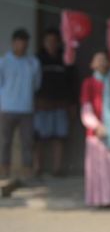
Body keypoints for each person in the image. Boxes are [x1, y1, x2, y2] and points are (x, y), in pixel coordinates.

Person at [80, 51, 110, 207]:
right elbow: (86, 108)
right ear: (92, 65)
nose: (101, 63)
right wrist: (96, 126)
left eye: (104, 60)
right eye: (97, 60)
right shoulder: (89, 83)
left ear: (109, 63)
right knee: (97, 168)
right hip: (96, 134)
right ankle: (99, 200)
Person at [0, 29, 41, 194]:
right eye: (19, 41)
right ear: (13, 43)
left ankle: (26, 175)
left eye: (25, 42)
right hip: (7, 108)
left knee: (27, 142)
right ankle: (4, 173)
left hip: (26, 108)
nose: (22, 45)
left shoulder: (33, 63)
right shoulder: (4, 61)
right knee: (5, 142)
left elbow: (37, 84)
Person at [34, 28, 76, 177]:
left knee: (59, 137)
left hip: (61, 104)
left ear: (58, 43)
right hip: (42, 104)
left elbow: (72, 82)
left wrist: (72, 103)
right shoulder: (38, 59)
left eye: (54, 41)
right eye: (48, 41)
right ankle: (37, 168)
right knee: (39, 138)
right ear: (43, 42)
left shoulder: (65, 59)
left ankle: (57, 169)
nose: (51, 44)